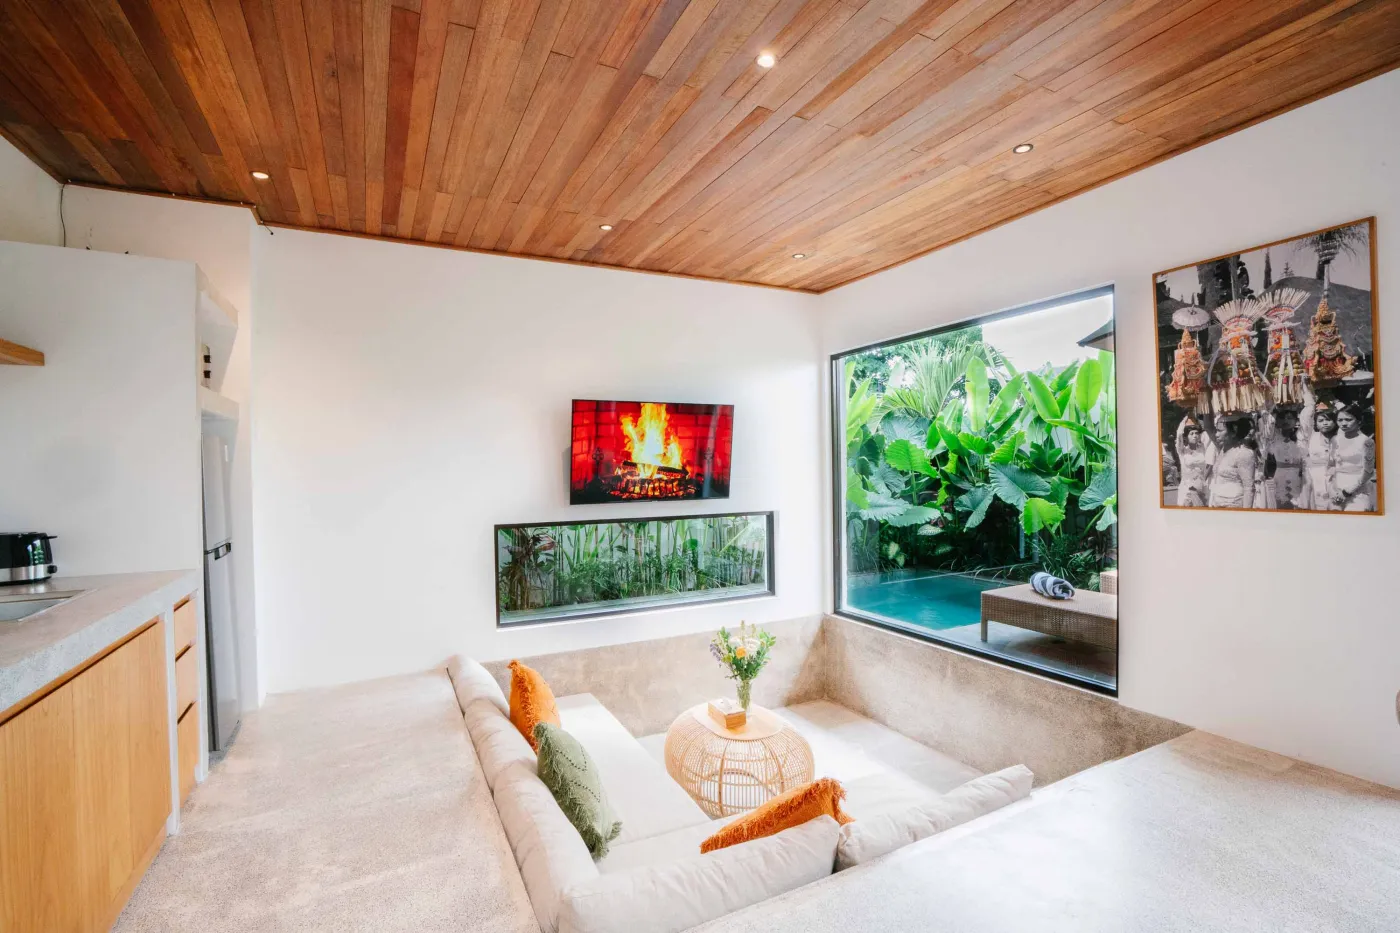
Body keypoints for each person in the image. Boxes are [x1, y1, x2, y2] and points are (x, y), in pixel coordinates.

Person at [1331, 403, 1377, 512]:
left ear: (1359, 421)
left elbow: (1368, 471)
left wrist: (1347, 491)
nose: (1344, 423)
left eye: (1348, 420)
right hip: (1336, 487)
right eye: (1340, 420)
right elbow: (1331, 465)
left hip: (1358, 488)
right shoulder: (1335, 439)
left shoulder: (1367, 442)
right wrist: (1332, 488)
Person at [1262, 407, 1307, 509]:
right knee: (1281, 504)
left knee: (1299, 504)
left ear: (1296, 420)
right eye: (1282, 418)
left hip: (1300, 476)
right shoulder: (1272, 437)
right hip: (1279, 475)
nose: (1286, 421)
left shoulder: (1302, 436)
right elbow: (1267, 417)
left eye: (1290, 418)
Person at [1208, 417, 1257, 509]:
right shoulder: (1223, 449)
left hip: (1233, 504)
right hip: (1217, 503)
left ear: (1233, 432)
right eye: (1216, 430)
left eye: (1220, 431)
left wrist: (1247, 515)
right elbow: (1207, 427)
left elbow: (1249, 488)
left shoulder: (1244, 453)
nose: (1216, 434)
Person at [1302, 396, 1339, 510]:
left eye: (1328, 420)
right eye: (1321, 421)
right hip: (1315, 476)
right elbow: (1306, 418)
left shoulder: (1340, 438)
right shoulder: (1311, 436)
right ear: (1316, 423)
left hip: (1336, 476)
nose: (1325, 423)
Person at [1174, 416, 1212, 507]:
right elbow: (1179, 434)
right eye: (1191, 434)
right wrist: (1184, 420)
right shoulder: (1182, 450)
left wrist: (1198, 420)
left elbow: (1209, 434)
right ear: (1186, 437)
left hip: (1201, 486)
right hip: (1187, 488)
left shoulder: (1202, 448)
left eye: (1196, 433)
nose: (1195, 436)